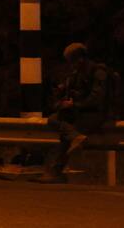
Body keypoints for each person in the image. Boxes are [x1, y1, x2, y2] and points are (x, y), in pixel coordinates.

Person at [37, 43, 111, 183]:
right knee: (56, 120)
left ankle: (55, 171)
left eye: (72, 61)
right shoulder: (76, 74)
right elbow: (71, 93)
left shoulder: (98, 72)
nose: (71, 65)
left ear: (80, 59)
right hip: (81, 111)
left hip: (96, 114)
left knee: (65, 133)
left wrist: (75, 104)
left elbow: (97, 98)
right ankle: (74, 139)